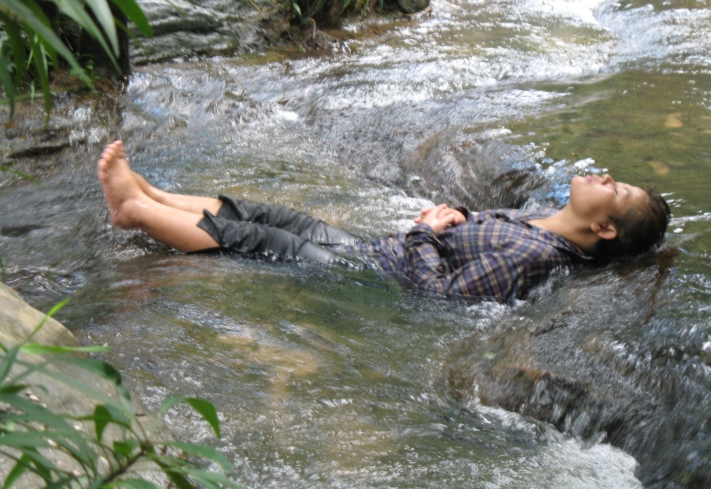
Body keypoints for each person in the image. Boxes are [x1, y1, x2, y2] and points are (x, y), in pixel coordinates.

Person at [97, 141, 670, 304]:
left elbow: (435, 296)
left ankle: (136, 211)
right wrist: (459, 217)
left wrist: (426, 229)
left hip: (375, 276)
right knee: (278, 215)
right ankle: (154, 191)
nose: (606, 177)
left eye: (616, 190)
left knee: (259, 241)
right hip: (380, 248)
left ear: (606, 230)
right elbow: (483, 223)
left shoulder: (537, 257)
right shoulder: (541, 219)